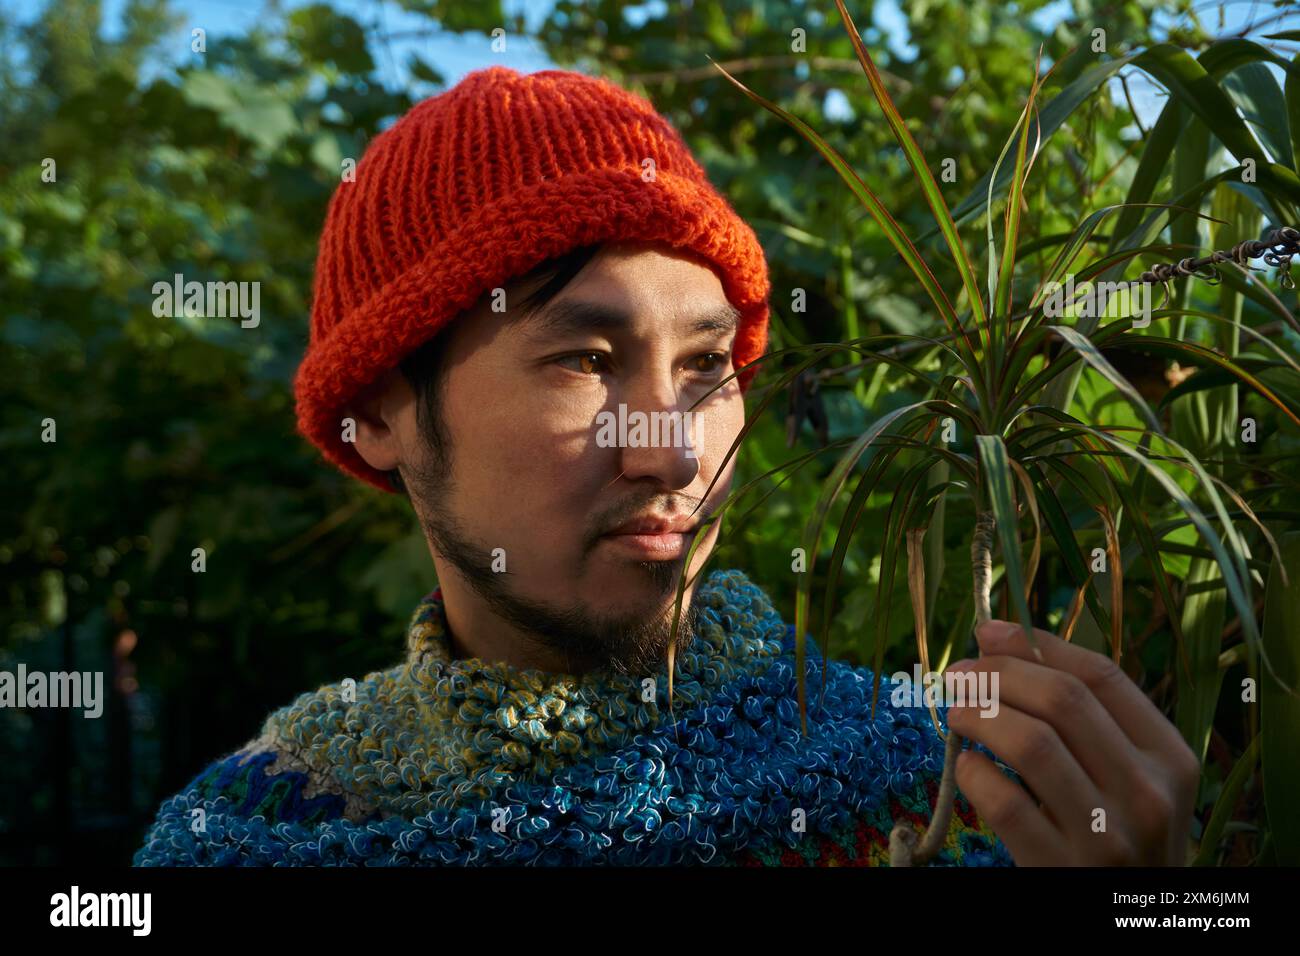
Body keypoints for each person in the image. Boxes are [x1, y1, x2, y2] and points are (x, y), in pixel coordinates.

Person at [133, 66, 1198, 867]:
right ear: (377, 410)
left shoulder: (954, 790)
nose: (674, 448)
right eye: (584, 361)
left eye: (704, 365)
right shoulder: (247, 832)